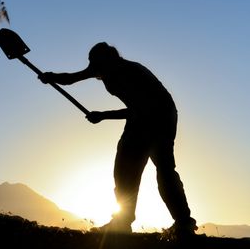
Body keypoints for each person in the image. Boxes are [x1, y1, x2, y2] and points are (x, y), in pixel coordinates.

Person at [38, 42, 197, 236]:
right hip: (139, 116)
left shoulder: (129, 71)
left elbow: (140, 109)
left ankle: (183, 222)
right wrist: (50, 77)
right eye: (90, 62)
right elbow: (73, 78)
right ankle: (123, 221)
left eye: (93, 62)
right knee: (124, 169)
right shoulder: (104, 68)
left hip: (160, 116)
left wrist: (103, 115)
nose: (91, 67)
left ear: (107, 59)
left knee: (162, 169)